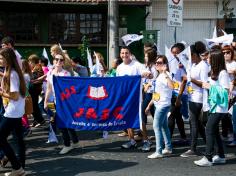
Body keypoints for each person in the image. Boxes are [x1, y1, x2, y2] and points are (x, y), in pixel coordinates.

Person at [194, 49, 229, 166]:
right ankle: (221, 156)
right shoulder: (214, 71)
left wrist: (210, 87)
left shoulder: (223, 73)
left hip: (219, 108)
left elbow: (226, 91)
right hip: (213, 107)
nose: (206, 59)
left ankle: (208, 157)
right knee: (213, 131)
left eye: (209, 58)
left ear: (215, 59)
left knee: (208, 129)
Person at [116, 46, 151, 149]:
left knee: (139, 120)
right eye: (122, 53)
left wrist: (147, 74)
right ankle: (132, 140)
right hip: (124, 98)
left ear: (130, 54)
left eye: (126, 53)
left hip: (136, 98)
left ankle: (146, 141)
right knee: (127, 119)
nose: (124, 55)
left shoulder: (137, 65)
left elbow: (147, 74)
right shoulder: (119, 67)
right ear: (120, 54)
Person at [44, 54, 79, 154]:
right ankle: (75, 142)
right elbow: (49, 88)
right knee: (63, 123)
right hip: (54, 101)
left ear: (63, 62)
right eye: (56, 59)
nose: (58, 61)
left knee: (63, 123)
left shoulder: (66, 74)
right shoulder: (50, 73)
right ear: (53, 61)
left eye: (61, 60)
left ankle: (67, 145)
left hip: (65, 103)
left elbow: (69, 90)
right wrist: (46, 101)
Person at [0, 47, 26, 175]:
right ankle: (20, 167)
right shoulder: (11, 71)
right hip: (17, 110)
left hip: (13, 111)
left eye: (1, 57)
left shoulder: (12, 74)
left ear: (7, 59)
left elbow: (15, 96)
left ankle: (17, 167)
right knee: (18, 139)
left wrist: (2, 93)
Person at [180, 41, 208, 157]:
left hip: (199, 98)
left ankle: (192, 148)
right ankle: (211, 144)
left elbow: (205, 84)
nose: (188, 58)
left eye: (189, 55)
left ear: (195, 55)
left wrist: (191, 79)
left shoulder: (203, 66)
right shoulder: (193, 65)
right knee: (198, 124)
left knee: (193, 123)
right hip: (192, 96)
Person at [145, 55, 173, 158]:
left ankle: (159, 151)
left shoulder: (166, 74)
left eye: (160, 62)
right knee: (164, 126)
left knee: (156, 127)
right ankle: (168, 148)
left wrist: (165, 72)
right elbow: (157, 93)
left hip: (163, 105)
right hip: (159, 104)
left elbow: (172, 86)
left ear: (165, 64)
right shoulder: (159, 76)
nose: (157, 64)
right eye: (156, 62)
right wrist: (149, 105)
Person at [168, 43, 188, 144]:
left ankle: (168, 140)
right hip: (172, 93)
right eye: (173, 53)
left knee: (171, 116)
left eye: (177, 53)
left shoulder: (183, 66)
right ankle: (183, 137)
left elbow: (184, 81)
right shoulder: (170, 65)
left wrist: (179, 97)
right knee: (178, 116)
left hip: (179, 94)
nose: (174, 55)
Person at [140, 48, 158, 152]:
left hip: (152, 95)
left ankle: (147, 140)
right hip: (146, 94)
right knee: (152, 117)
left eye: (146, 56)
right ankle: (148, 138)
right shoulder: (146, 67)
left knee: (148, 116)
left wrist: (148, 85)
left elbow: (155, 82)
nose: (144, 58)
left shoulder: (155, 68)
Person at [28, 54, 45, 127]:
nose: (29, 63)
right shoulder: (35, 68)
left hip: (35, 89)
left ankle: (41, 120)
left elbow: (36, 78)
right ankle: (36, 120)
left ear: (34, 61)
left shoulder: (37, 67)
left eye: (30, 62)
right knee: (33, 105)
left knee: (34, 105)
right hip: (34, 89)